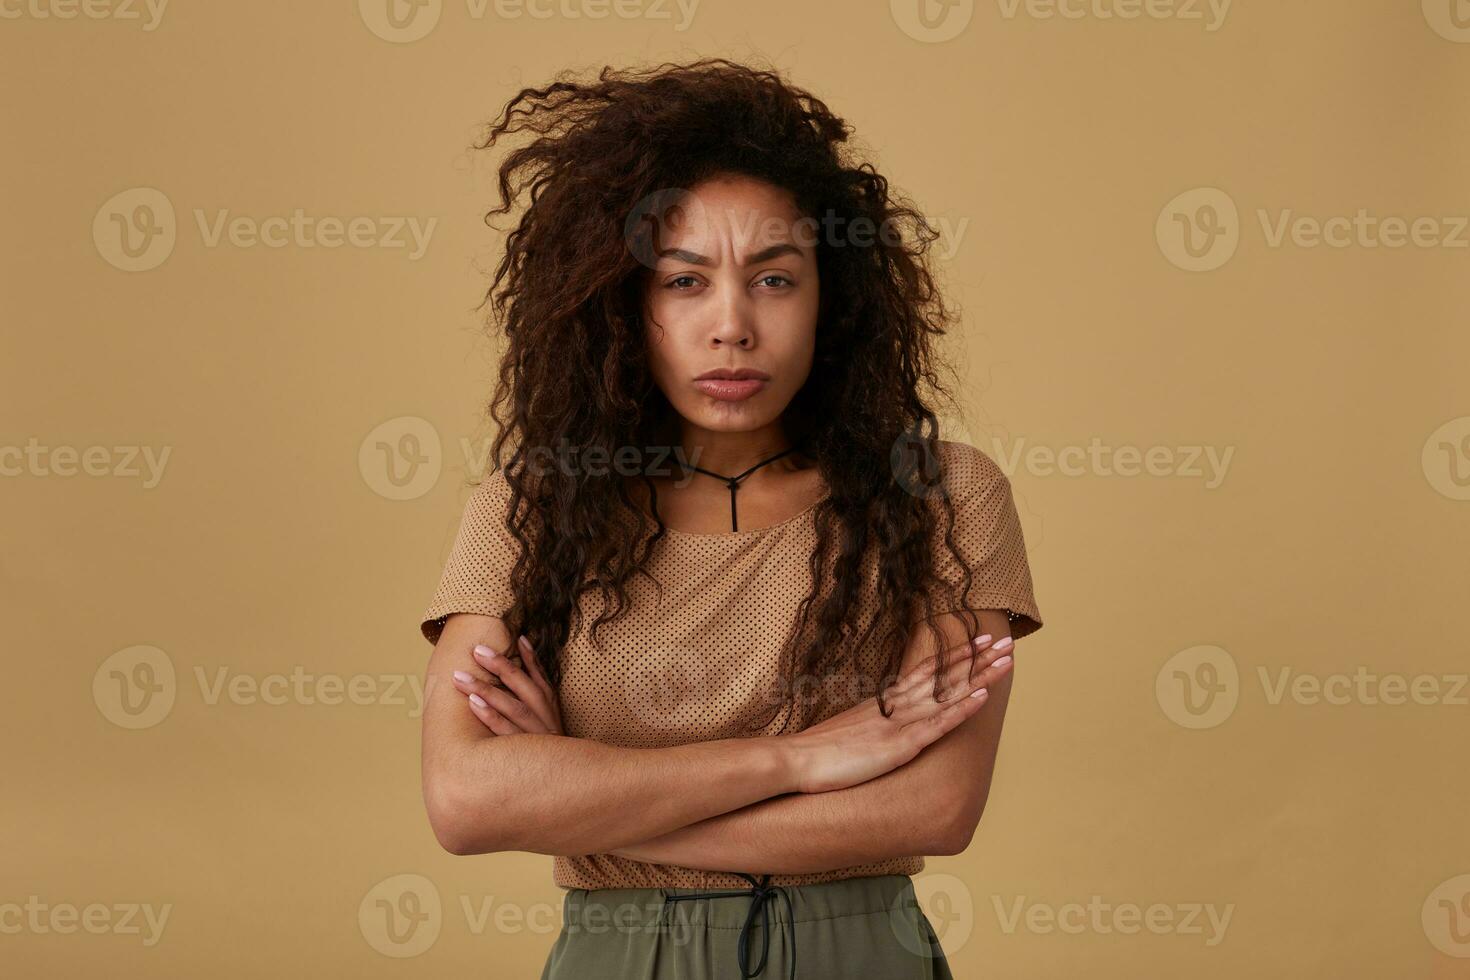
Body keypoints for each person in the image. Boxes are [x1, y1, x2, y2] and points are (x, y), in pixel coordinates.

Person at [416, 57, 1044, 980]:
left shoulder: (942, 496)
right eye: (683, 281)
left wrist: (588, 803)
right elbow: (466, 801)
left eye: (775, 280)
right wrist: (797, 762)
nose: (732, 326)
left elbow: (935, 809)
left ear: (834, 298)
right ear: (621, 305)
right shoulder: (530, 509)